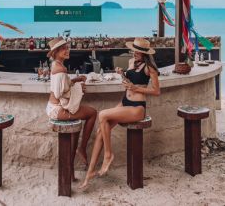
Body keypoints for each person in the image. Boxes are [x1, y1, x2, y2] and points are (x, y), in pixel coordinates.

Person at [80, 37, 160, 189]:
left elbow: (156, 91)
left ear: (144, 53)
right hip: (125, 102)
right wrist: (122, 74)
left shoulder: (150, 68)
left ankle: (108, 154)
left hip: (137, 108)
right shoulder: (131, 62)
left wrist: (136, 88)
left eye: (138, 52)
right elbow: (128, 83)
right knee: (100, 132)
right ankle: (90, 173)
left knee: (102, 114)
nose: (134, 53)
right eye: (134, 50)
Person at [45, 37, 97, 175]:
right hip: (57, 110)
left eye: (67, 48)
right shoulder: (60, 69)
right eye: (63, 48)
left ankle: (70, 170)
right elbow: (60, 93)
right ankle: (82, 148)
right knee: (92, 113)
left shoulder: (57, 65)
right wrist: (79, 88)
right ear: (56, 52)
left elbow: (62, 86)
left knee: (76, 128)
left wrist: (76, 80)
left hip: (54, 107)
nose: (67, 50)